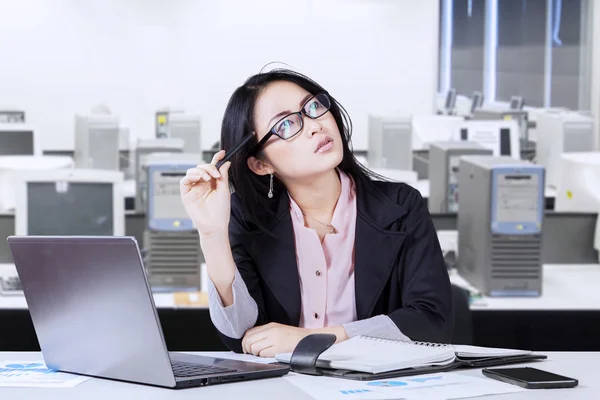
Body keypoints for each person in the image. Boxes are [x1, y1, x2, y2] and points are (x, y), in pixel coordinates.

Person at [180, 69, 453, 358]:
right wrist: (211, 235)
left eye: (313, 107)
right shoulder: (247, 218)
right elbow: (241, 336)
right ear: (261, 165)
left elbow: (432, 323)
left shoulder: (402, 206)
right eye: (286, 125)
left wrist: (316, 340)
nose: (315, 125)